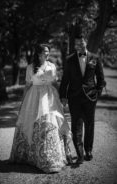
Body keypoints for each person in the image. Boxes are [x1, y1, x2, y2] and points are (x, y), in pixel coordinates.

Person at [10, 43, 72, 173]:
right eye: (45, 52)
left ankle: (50, 157)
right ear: (38, 53)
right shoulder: (30, 68)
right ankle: (31, 157)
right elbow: (27, 86)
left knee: (49, 125)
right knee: (33, 125)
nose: (47, 54)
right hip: (33, 99)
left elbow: (55, 83)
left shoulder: (52, 66)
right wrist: (22, 103)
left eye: (48, 52)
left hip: (50, 99)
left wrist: (62, 97)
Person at [59, 34, 106, 164]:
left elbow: (101, 79)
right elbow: (65, 80)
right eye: (77, 44)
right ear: (74, 46)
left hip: (90, 98)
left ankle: (88, 150)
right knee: (76, 126)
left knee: (89, 125)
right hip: (74, 98)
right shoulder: (69, 60)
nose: (79, 45)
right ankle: (79, 154)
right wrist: (63, 96)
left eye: (81, 42)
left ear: (86, 42)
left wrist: (97, 93)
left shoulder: (95, 58)